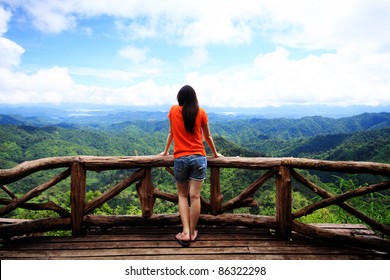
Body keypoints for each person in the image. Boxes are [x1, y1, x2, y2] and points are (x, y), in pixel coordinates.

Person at [160, 85, 222, 246]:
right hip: (199, 158)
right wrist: (215, 154)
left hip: (180, 158)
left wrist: (165, 152)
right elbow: (207, 136)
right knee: (194, 197)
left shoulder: (174, 110)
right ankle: (193, 232)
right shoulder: (201, 112)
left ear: (180, 98)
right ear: (194, 98)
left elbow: (172, 133)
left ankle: (185, 232)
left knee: (182, 195)